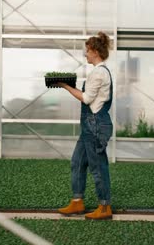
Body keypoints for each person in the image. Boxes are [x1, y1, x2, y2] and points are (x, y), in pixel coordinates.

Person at [57, 32, 114, 220]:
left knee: (97, 167)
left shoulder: (99, 72)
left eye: (87, 51)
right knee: (77, 162)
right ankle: (77, 202)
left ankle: (104, 207)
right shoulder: (98, 71)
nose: (85, 54)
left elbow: (87, 98)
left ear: (96, 52)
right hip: (91, 125)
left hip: (95, 125)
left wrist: (65, 86)